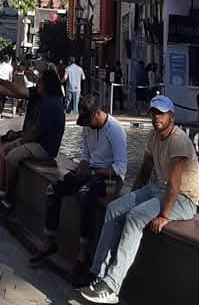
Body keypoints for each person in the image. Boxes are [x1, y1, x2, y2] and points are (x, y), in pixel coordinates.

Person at [82, 96, 199, 304]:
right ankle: (97, 273)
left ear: (171, 117)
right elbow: (145, 170)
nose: (156, 117)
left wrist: (164, 216)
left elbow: (175, 185)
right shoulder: (153, 136)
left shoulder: (179, 140)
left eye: (161, 113)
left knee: (135, 217)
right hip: (160, 189)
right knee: (114, 208)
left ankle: (112, 286)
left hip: (184, 197)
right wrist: (132, 196)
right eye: (153, 113)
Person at [30, 95, 127, 280]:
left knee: (85, 194)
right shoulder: (88, 128)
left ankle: (84, 252)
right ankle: (50, 240)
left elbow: (121, 167)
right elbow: (86, 154)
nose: (87, 125)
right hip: (90, 171)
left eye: (88, 121)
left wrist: (93, 172)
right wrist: (82, 167)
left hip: (109, 176)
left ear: (97, 113)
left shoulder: (115, 130)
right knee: (54, 189)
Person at [0, 67, 65, 215]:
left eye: (40, 82)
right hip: (37, 141)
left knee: (11, 156)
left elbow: (37, 131)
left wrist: (19, 142)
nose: (37, 84)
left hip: (44, 147)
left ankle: (8, 198)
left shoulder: (51, 104)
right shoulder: (46, 99)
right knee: (3, 145)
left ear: (47, 85)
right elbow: (14, 91)